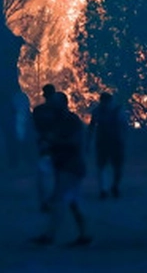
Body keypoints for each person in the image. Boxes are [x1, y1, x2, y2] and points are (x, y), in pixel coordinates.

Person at [32, 92, 91, 247]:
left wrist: (53, 142)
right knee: (73, 202)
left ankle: (49, 235)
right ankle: (84, 234)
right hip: (65, 166)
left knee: (59, 201)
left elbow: (74, 143)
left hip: (71, 166)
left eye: (55, 103)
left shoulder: (71, 121)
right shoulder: (58, 120)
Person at [87, 92, 125, 199]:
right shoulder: (113, 110)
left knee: (112, 167)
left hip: (111, 142)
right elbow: (92, 127)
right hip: (107, 142)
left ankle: (111, 187)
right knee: (107, 166)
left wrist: (88, 142)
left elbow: (91, 127)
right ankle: (107, 189)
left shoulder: (112, 111)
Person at [31, 83, 58, 211]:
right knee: (56, 175)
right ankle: (53, 201)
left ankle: (45, 201)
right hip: (57, 145)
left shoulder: (38, 110)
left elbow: (33, 128)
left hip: (43, 145)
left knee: (43, 176)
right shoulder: (59, 110)